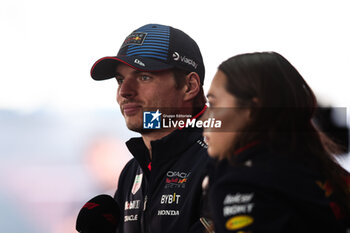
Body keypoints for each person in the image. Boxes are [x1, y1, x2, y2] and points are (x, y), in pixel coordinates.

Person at [203, 52, 350, 233]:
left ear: (251, 110)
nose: (205, 120)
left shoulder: (241, 183)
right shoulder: (328, 173)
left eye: (213, 104)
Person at [90, 24, 210, 233]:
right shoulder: (132, 171)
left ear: (189, 87)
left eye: (144, 77)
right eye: (120, 80)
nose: (124, 92)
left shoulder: (221, 161)